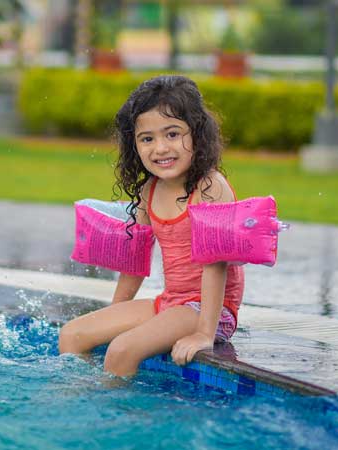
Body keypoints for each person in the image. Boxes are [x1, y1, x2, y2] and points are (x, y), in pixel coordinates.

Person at [58, 75, 244, 377]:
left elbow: (215, 264)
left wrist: (204, 334)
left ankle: (117, 414)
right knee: (72, 334)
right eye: (147, 139)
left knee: (122, 350)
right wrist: (113, 313)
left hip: (210, 310)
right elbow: (134, 262)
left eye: (172, 134)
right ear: (134, 144)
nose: (160, 148)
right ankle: (84, 400)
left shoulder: (210, 187)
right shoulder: (150, 191)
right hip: (171, 302)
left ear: (196, 133)